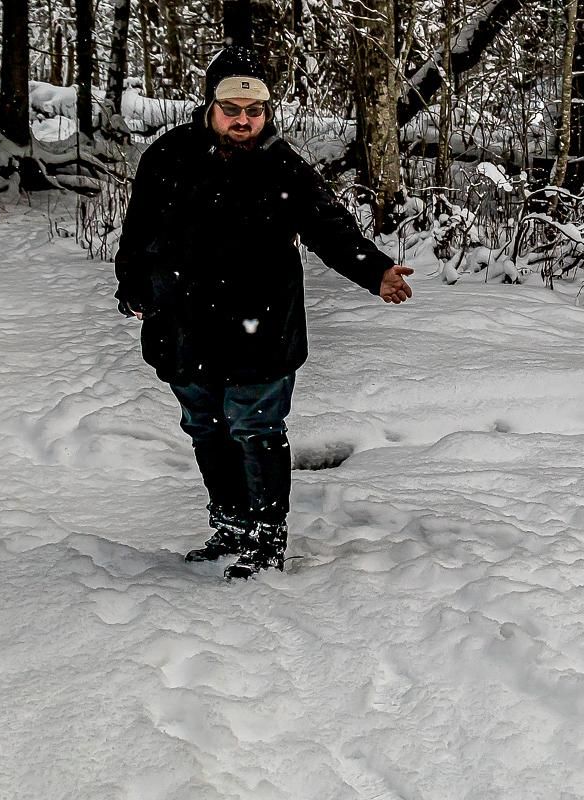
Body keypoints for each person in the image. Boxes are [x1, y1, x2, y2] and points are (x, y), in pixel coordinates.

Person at [114, 45, 413, 580]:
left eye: (255, 110)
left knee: (255, 428)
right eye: (233, 108)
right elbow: (138, 233)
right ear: (211, 104)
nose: (244, 120)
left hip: (260, 327)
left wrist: (376, 271)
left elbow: (329, 227)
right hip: (183, 323)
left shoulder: (282, 166)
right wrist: (134, 288)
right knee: (206, 428)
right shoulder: (169, 156)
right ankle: (229, 524)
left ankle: (265, 535)